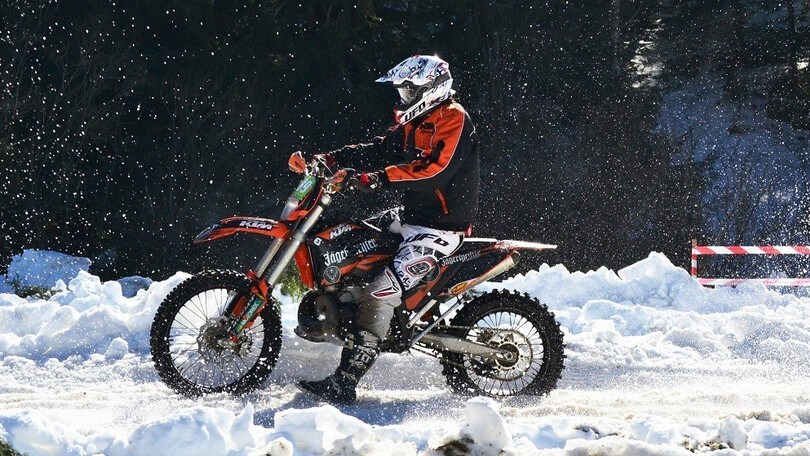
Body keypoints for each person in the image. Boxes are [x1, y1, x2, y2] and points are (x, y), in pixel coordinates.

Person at [295, 55, 480, 405]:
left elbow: (433, 172)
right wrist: (332, 160)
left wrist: (377, 179)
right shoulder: (418, 121)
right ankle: (347, 312)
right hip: (409, 217)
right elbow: (380, 149)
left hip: (439, 227)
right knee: (351, 245)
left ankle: (345, 381)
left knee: (380, 290)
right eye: (402, 91)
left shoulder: (454, 119)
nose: (402, 99)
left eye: (408, 91)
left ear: (430, 89)